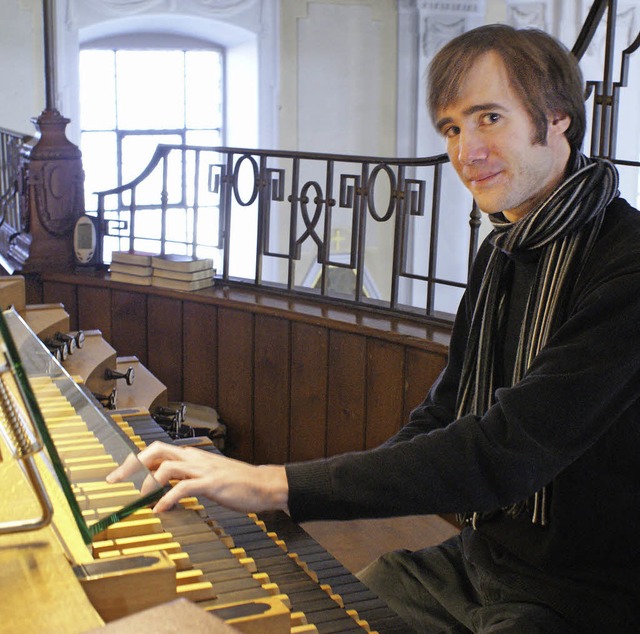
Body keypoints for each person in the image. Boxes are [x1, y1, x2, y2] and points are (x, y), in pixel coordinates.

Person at [108, 24, 640, 633]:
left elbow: (505, 452)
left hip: (583, 595)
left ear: (558, 116)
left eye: (489, 117)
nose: (468, 152)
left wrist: (275, 483)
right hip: (477, 563)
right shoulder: (503, 251)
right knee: (329, 614)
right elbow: (443, 416)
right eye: (452, 128)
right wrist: (293, 502)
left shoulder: (626, 265)